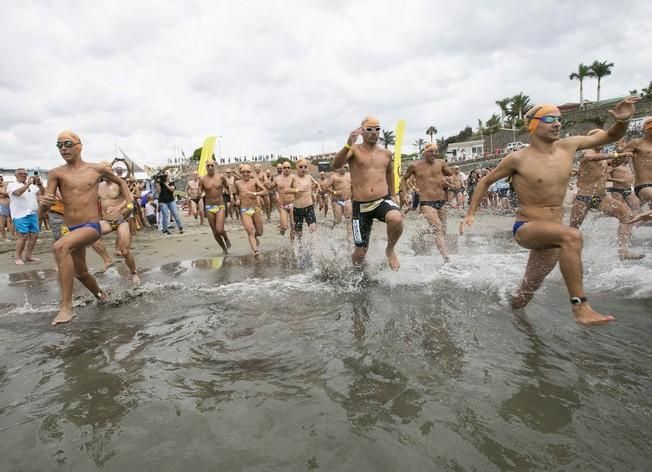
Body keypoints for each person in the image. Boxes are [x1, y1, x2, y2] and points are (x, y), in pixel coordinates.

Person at [460, 97, 640, 325]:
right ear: (532, 125)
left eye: (559, 119)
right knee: (572, 235)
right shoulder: (517, 158)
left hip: (552, 234)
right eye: (549, 119)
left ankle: (507, 313)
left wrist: (623, 121)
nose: (557, 123)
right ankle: (580, 306)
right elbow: (485, 181)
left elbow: (610, 136)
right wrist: (470, 214)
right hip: (526, 228)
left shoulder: (569, 146)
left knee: (526, 292)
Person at [40, 130, 133, 325]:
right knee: (81, 273)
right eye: (59, 145)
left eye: (67, 144)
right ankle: (102, 296)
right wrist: (44, 203)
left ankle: (66, 307)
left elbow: (121, 182)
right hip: (69, 228)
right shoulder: (56, 173)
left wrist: (129, 203)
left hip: (91, 225)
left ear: (79, 146)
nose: (63, 149)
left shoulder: (96, 169)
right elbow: (44, 210)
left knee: (60, 247)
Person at [331, 115, 402, 270]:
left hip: (381, 200)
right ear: (362, 131)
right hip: (360, 207)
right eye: (369, 129)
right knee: (360, 253)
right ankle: (356, 274)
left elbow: (390, 173)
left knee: (396, 218)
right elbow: (335, 164)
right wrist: (348, 144)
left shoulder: (386, 153)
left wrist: (394, 194)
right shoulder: (354, 150)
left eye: (377, 129)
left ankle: (390, 250)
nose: (374, 132)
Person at [568, 130, 642, 260]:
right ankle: (563, 256)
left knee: (627, 216)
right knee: (572, 231)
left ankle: (623, 251)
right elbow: (588, 158)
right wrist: (617, 153)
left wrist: (623, 156)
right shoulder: (588, 151)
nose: (604, 141)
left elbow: (612, 164)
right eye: (601, 138)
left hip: (599, 198)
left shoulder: (600, 155)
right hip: (583, 198)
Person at [400, 143, 452, 263]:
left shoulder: (441, 163)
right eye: (430, 152)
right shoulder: (415, 165)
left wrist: (450, 181)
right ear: (424, 152)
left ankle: (424, 233)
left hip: (442, 201)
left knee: (443, 230)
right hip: (426, 202)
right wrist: (406, 194)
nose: (433, 154)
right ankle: (446, 258)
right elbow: (404, 178)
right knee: (438, 229)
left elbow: (451, 175)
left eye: (435, 151)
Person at [48, 189, 114, 271]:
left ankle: (107, 260)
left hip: (77, 214)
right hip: (59, 215)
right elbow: (62, 198)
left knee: (91, 236)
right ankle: (60, 264)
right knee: (61, 240)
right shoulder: (57, 182)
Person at [97, 162, 140, 282]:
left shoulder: (119, 183)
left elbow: (130, 198)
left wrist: (118, 208)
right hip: (106, 221)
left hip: (121, 220)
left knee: (125, 251)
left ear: (111, 171)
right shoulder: (98, 186)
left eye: (107, 170)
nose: (105, 173)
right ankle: (107, 260)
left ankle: (134, 272)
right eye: (102, 170)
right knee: (90, 232)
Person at [7, 168, 44, 265]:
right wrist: (27, 184)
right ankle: (18, 257)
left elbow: (41, 194)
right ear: (16, 175)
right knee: (23, 236)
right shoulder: (11, 185)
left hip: (33, 213)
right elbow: (17, 193)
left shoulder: (32, 186)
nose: (23, 175)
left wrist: (39, 183)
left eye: (25, 174)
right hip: (20, 214)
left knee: (34, 235)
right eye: (21, 174)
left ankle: (28, 256)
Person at [199, 160, 231, 254]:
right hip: (209, 207)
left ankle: (225, 237)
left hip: (220, 205)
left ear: (214, 166)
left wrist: (231, 197)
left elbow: (228, 187)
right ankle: (224, 249)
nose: (210, 167)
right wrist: (200, 194)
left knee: (220, 229)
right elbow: (200, 191)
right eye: (208, 166)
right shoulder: (203, 179)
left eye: (211, 165)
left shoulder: (221, 177)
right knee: (215, 232)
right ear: (206, 167)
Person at [234, 164, 266, 257]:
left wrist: (255, 193)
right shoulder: (238, 183)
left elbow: (265, 191)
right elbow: (236, 193)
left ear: (250, 172)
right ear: (241, 173)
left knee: (259, 232)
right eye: (243, 172)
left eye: (247, 172)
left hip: (255, 208)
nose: (245, 174)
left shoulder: (254, 181)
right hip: (244, 210)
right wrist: (237, 199)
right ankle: (256, 252)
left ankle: (255, 236)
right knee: (250, 230)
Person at [285, 159, 319, 238]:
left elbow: (316, 185)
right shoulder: (293, 178)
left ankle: (312, 246)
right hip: (298, 209)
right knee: (299, 233)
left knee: (313, 227)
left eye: (305, 167)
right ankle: (298, 247)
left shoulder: (309, 177)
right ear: (296, 167)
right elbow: (286, 190)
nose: (303, 168)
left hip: (309, 207)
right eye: (301, 167)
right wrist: (297, 190)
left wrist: (316, 186)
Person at [623, 117, 652, 207]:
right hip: (644, 186)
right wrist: (623, 155)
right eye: (650, 129)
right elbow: (615, 163)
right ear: (644, 130)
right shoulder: (637, 143)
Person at [267, 162, 296, 236]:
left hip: (293, 204)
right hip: (283, 206)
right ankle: (282, 230)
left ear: (290, 169)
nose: (286, 169)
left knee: (293, 225)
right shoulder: (277, 179)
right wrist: (265, 183)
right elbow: (270, 187)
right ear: (282, 169)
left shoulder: (294, 177)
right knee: (285, 227)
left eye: (288, 168)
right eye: (285, 167)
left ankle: (292, 245)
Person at [325, 165, 352, 234]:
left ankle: (349, 237)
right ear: (338, 168)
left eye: (345, 166)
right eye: (342, 166)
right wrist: (334, 192)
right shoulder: (334, 177)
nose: (344, 168)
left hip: (348, 200)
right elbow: (326, 187)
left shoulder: (349, 175)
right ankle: (333, 229)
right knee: (338, 220)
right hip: (337, 201)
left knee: (349, 219)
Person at [0, 174, 13, 242]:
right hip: (2, 205)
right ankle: (4, 238)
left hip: (8, 205)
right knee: (2, 223)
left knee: (10, 221)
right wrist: (6, 194)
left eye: (2, 179)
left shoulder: (4, 186)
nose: (1, 180)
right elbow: (7, 194)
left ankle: (12, 235)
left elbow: (7, 193)